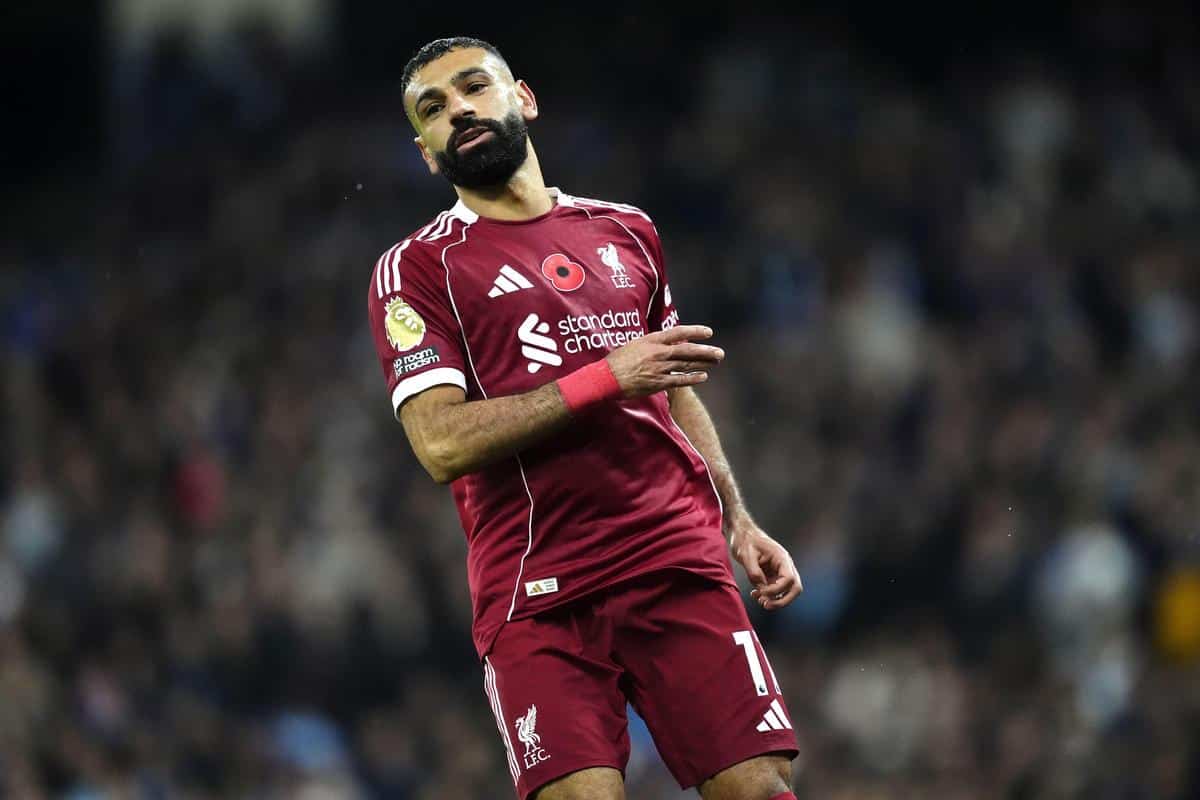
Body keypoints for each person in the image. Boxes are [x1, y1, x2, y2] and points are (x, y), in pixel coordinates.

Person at [366, 36, 803, 800]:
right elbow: (439, 443)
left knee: (761, 788)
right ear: (427, 153)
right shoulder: (418, 269)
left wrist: (738, 518)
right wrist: (606, 377)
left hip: (673, 558)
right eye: (433, 109)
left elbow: (672, 389)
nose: (458, 110)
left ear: (524, 99)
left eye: (474, 87)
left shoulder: (627, 230)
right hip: (539, 593)